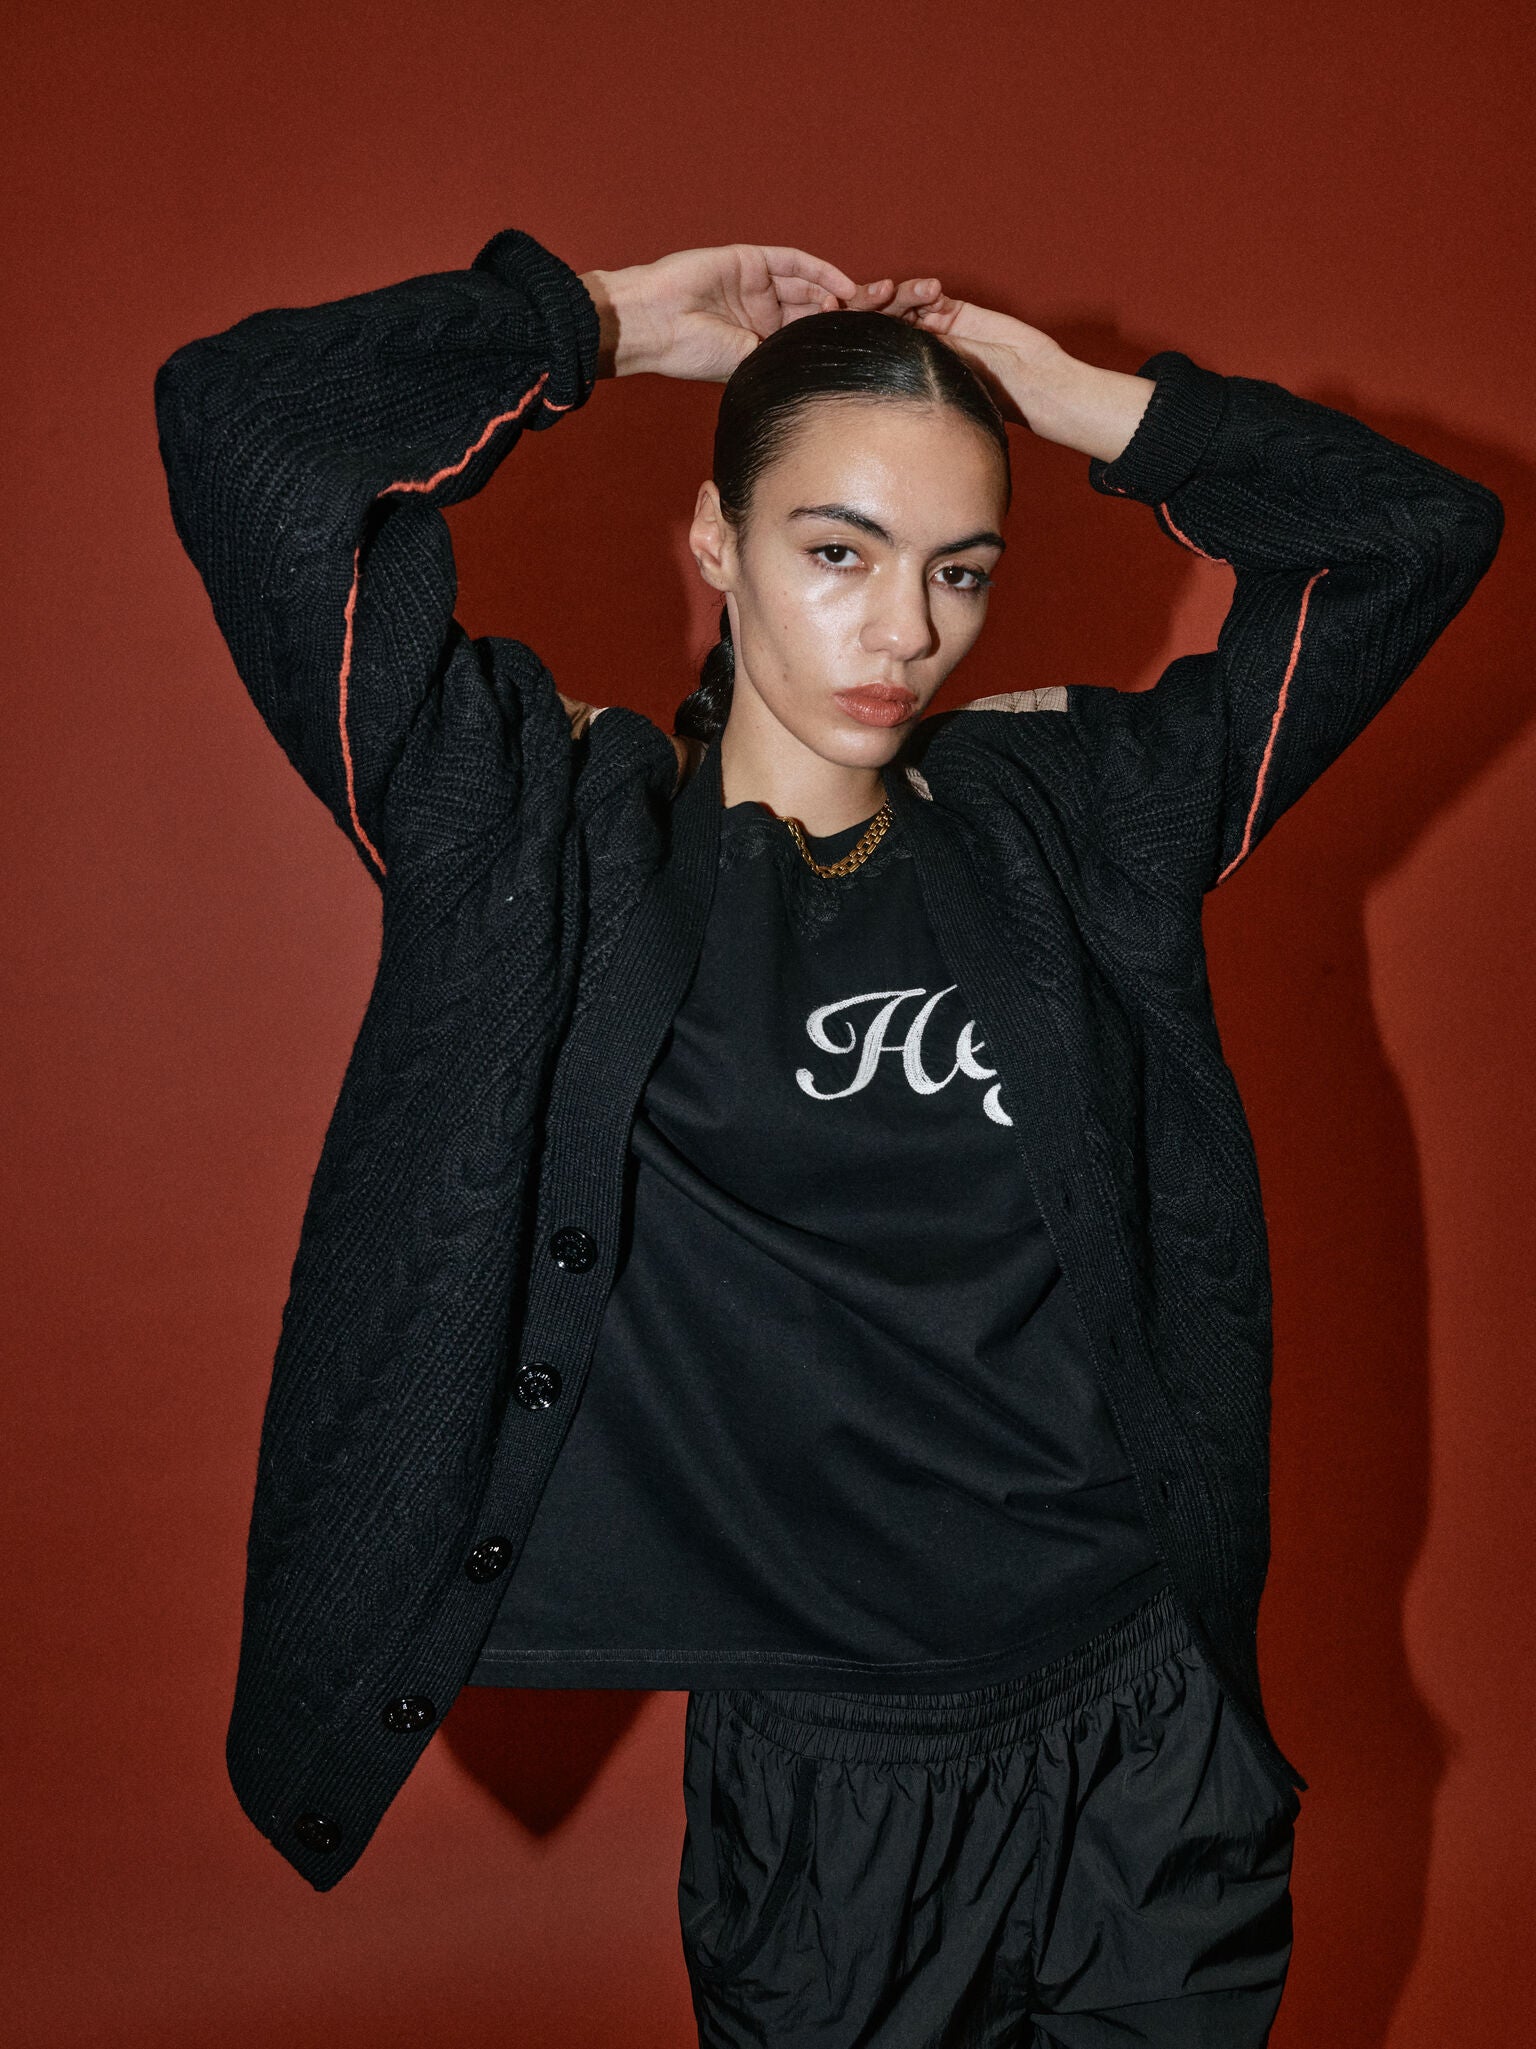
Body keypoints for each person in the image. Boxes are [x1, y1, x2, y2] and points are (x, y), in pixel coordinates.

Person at [154, 230, 1502, 2046]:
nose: (906, 632)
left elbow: (1416, 536)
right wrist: (608, 323)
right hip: (829, 1782)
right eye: (838, 550)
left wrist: (1064, 398)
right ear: (717, 543)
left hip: (1144, 1723)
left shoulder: (1068, 823)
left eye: (961, 567)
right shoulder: (546, 844)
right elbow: (244, 430)